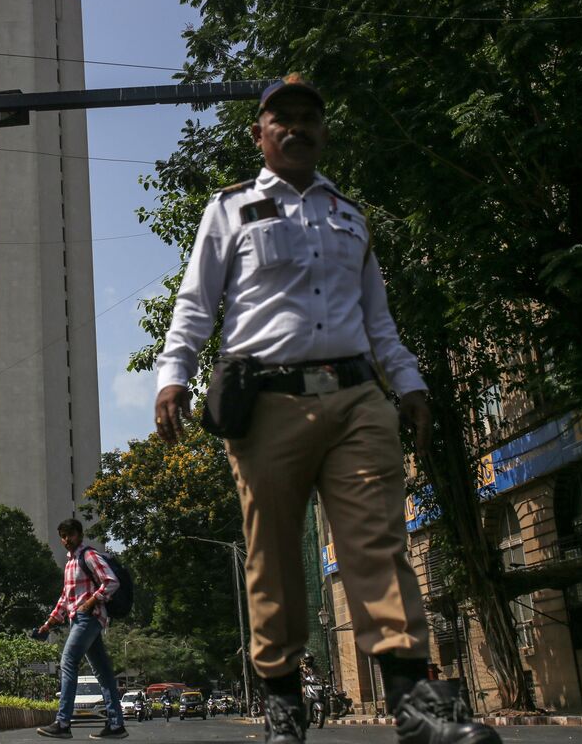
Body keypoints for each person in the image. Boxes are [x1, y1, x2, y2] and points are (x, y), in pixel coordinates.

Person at [153, 75, 499, 744]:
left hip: (356, 398)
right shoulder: (229, 209)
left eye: (308, 118)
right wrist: (174, 377)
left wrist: (409, 384)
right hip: (267, 405)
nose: (296, 128)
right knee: (274, 556)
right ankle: (284, 704)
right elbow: (196, 304)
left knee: (378, 542)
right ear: (259, 134)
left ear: (323, 132)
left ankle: (415, 705)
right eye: (281, 119)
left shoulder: (350, 216)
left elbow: (378, 318)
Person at [35, 518, 127, 740]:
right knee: (103, 671)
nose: (67, 540)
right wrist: (49, 623)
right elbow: (65, 598)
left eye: (70, 535)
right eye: (63, 536)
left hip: (89, 618)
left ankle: (63, 723)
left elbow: (111, 581)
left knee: (68, 662)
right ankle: (116, 725)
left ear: (80, 535)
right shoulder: (70, 563)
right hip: (77, 619)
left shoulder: (89, 555)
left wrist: (91, 602)